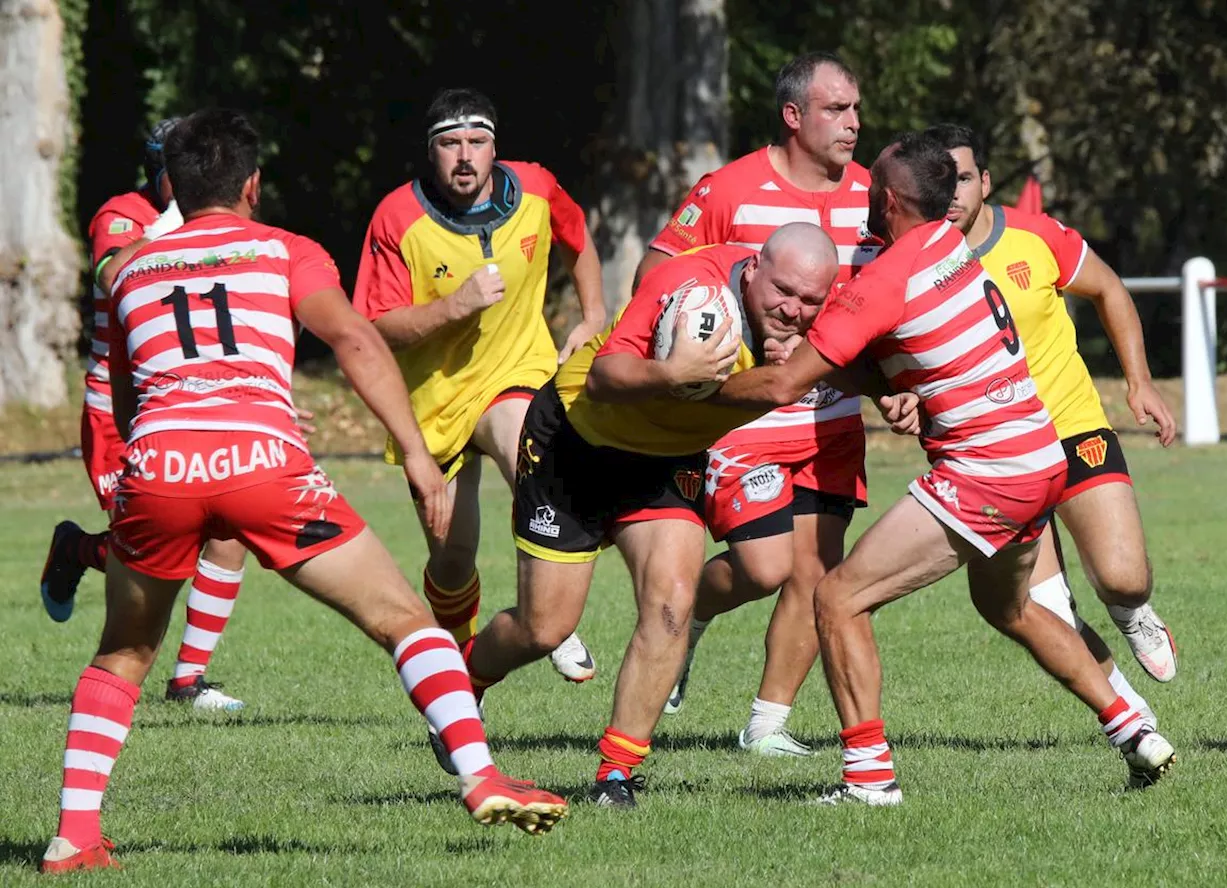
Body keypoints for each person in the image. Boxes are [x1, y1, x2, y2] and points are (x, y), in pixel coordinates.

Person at [39, 109, 567, 875]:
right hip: (265, 466)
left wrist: (146, 466)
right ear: (253, 183)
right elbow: (355, 339)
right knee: (404, 621)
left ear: (173, 189)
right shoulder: (287, 251)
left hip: (157, 468)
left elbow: (127, 397)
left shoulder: (125, 270)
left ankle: (72, 837)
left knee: (121, 653)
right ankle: (481, 776)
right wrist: (418, 457)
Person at [711, 134, 1176, 806]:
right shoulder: (948, 247)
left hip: (986, 473)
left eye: (873, 191)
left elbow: (787, 386)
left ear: (892, 201)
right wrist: (886, 377)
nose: (864, 197)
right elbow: (902, 343)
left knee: (838, 598)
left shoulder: (883, 281)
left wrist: (690, 389)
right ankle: (1133, 729)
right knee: (1008, 607)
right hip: (1040, 455)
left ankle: (869, 782)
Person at [463, 222, 858, 809]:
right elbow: (602, 378)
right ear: (753, 269)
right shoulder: (689, 288)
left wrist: (898, 391)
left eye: (809, 301)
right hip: (576, 443)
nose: (793, 310)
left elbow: (857, 357)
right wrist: (674, 375)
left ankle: (617, 774)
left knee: (672, 605)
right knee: (543, 627)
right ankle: (463, 680)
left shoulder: (812, 317)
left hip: (665, 462)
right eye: (782, 292)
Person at [638, 52, 879, 756]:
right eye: (837, 109)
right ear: (794, 115)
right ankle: (694, 618)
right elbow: (658, 278)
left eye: (856, 109)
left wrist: (897, 383)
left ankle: (767, 726)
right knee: (764, 568)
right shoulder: (729, 189)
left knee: (819, 572)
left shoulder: (871, 194)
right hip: (744, 419)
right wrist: (713, 358)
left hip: (831, 422)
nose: (853, 123)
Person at [353, 88, 604, 682]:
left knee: (534, 464)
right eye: (449, 144)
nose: (464, 156)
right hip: (431, 404)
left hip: (516, 372)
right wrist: (454, 307)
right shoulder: (397, 218)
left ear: (495, 147)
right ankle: (464, 678)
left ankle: (552, 618)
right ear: (430, 151)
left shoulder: (537, 188)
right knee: (452, 558)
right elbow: (377, 326)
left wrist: (593, 315)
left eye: (477, 142)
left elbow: (577, 238)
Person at [921, 123, 1178, 696]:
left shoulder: (1036, 236)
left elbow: (1110, 289)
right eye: (939, 181)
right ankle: (1127, 711)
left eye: (963, 178)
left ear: (985, 181)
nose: (953, 193)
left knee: (1124, 578)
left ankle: (1133, 612)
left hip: (1072, 426)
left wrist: (1140, 383)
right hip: (992, 452)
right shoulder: (913, 260)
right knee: (1046, 610)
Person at [40, 117, 250, 711]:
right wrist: (171, 227)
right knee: (160, 548)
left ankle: (189, 680)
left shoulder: (215, 213)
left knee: (228, 532)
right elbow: (112, 275)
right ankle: (76, 550)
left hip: (195, 397)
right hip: (122, 407)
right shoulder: (123, 215)